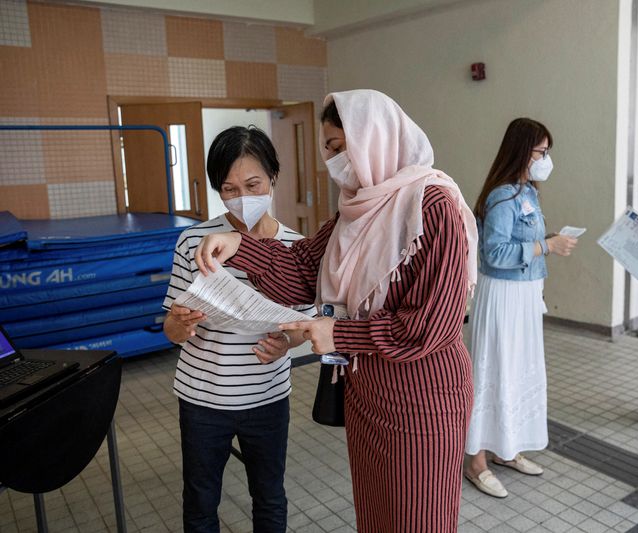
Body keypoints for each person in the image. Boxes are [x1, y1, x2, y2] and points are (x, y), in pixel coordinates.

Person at [193, 90, 479, 533]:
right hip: (365, 389)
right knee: (376, 513)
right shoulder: (356, 209)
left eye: (340, 147)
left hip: (423, 395)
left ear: (376, 139)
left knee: (420, 518)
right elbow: (302, 270)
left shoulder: (433, 206)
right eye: (327, 148)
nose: (333, 160)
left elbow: (431, 327)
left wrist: (340, 335)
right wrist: (239, 246)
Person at [162, 126, 314, 533]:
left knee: (269, 496)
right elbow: (171, 333)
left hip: (267, 398)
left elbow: (302, 325)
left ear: (273, 179)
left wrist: (286, 342)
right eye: (229, 189)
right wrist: (178, 324)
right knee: (200, 500)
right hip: (201, 400)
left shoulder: (295, 248)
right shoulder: (193, 240)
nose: (241, 198)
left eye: (253, 184)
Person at [463, 118, 577, 498]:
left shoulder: (527, 192)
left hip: (525, 294)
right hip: (503, 297)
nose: (546, 159)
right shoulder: (502, 196)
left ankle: (505, 449)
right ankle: (475, 461)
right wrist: (547, 246)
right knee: (492, 369)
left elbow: (519, 242)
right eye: (541, 152)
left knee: (517, 370)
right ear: (521, 151)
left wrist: (548, 241)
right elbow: (493, 253)